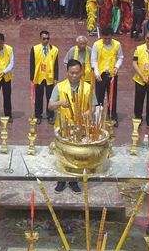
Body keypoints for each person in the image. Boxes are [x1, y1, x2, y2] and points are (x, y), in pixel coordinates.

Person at [48, 59, 94, 193]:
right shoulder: (60, 87)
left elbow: (94, 107)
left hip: (80, 127)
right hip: (63, 127)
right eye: (71, 73)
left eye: (77, 73)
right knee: (62, 155)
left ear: (81, 73)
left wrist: (87, 112)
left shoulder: (87, 87)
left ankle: (74, 181)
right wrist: (60, 103)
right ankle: (61, 180)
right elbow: (50, 106)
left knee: (77, 156)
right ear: (67, 72)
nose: (74, 75)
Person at [92, 29, 124, 122]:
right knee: (99, 96)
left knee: (112, 97)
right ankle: (98, 116)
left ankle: (113, 116)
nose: (107, 40)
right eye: (105, 38)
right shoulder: (96, 45)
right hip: (100, 75)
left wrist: (117, 67)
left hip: (112, 75)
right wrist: (97, 73)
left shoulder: (117, 44)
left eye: (109, 38)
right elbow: (93, 60)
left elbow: (120, 57)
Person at [30, 30, 59, 124]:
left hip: (49, 77)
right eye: (44, 38)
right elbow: (32, 64)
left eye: (47, 38)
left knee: (50, 97)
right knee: (38, 96)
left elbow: (56, 64)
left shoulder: (54, 49)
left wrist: (56, 77)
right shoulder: (34, 49)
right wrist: (32, 77)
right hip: (39, 76)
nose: (46, 40)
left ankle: (50, 115)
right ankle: (38, 115)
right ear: (40, 39)